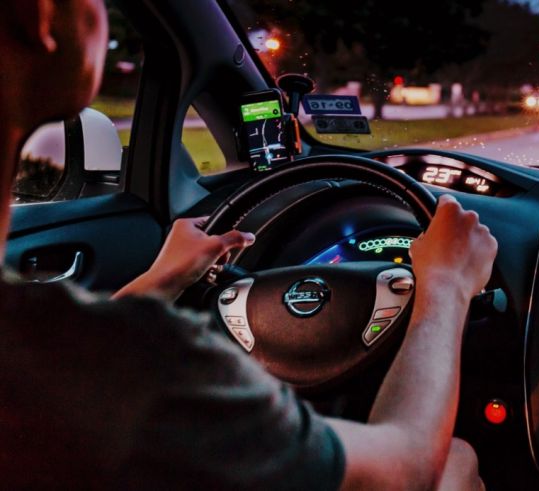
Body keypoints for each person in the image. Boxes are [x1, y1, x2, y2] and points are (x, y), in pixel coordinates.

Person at [0, 1, 497, 489]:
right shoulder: (153, 364)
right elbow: (405, 472)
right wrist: (446, 286)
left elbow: (75, 363)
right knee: (456, 457)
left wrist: (159, 279)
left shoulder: (44, 348)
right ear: (36, 16)